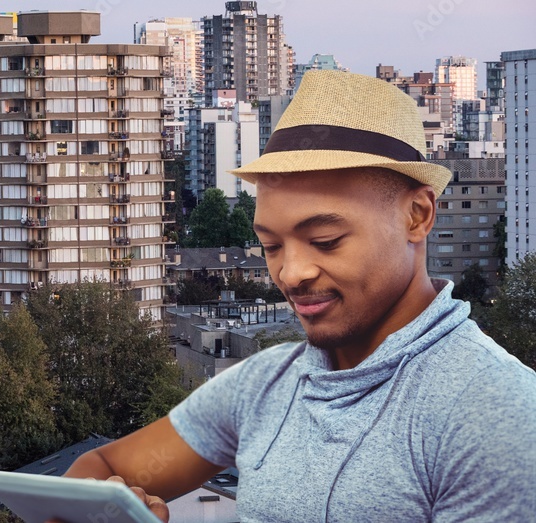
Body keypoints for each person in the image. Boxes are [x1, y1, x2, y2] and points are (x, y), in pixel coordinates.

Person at [63, 70, 536, 521]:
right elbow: (95, 474)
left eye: (325, 241)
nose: (290, 273)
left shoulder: (494, 414)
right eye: (270, 245)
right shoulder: (264, 386)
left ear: (416, 215)